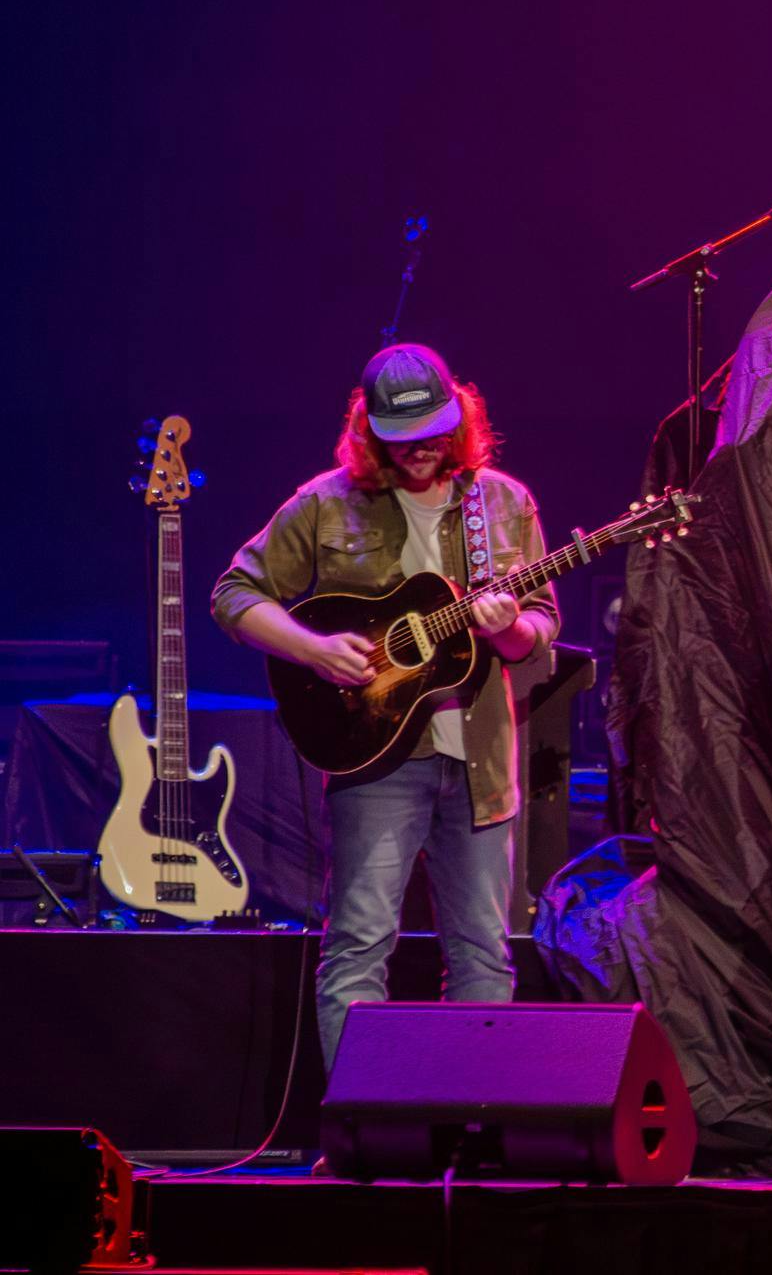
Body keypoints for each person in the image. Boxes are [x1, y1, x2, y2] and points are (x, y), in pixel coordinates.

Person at [212, 343, 558, 1069]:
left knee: (483, 954)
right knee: (360, 945)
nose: (421, 449)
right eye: (402, 438)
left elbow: (539, 630)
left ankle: (472, 1117)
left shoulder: (502, 502)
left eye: (434, 431)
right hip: (374, 760)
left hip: (482, 759)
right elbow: (235, 594)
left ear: (459, 418)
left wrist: (508, 628)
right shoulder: (326, 501)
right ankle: (357, 1121)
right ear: (368, 429)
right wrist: (312, 649)